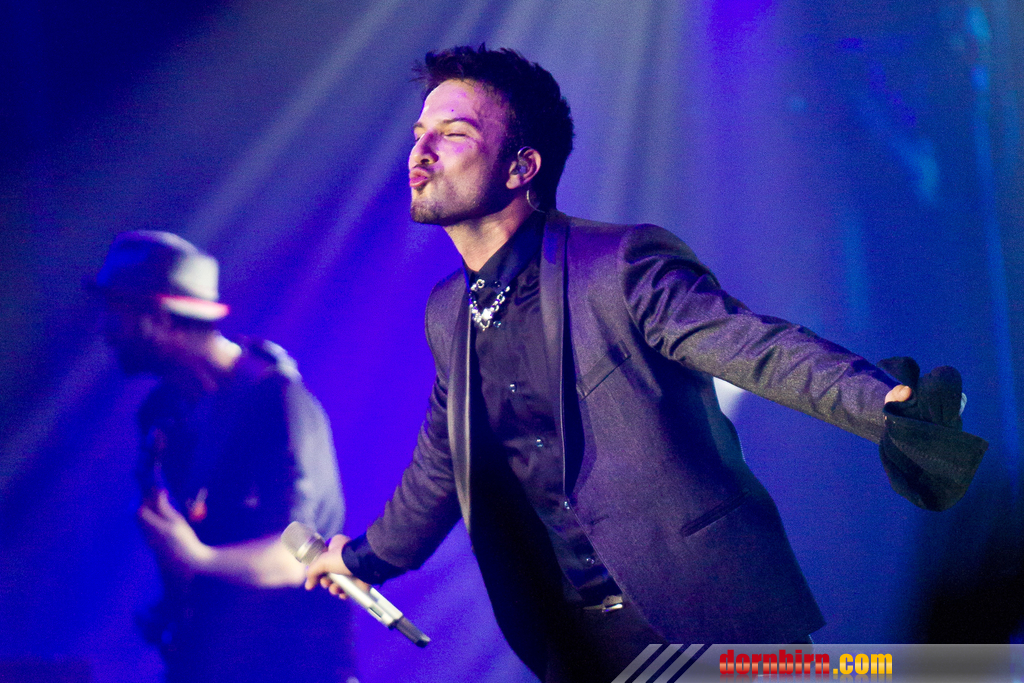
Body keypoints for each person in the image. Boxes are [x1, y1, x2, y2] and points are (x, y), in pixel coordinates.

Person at [304, 46, 987, 682]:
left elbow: (752, 345)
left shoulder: (616, 266)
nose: (420, 151)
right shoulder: (447, 311)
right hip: (576, 643)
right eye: (420, 132)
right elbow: (441, 464)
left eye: (452, 133)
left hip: (706, 622)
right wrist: (360, 558)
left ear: (520, 167)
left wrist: (884, 404)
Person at [90, 231, 358, 683]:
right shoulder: (161, 414)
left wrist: (198, 559)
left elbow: (298, 555)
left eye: (116, 311)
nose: (105, 330)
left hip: (296, 666)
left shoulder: (276, 401)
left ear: (158, 318)